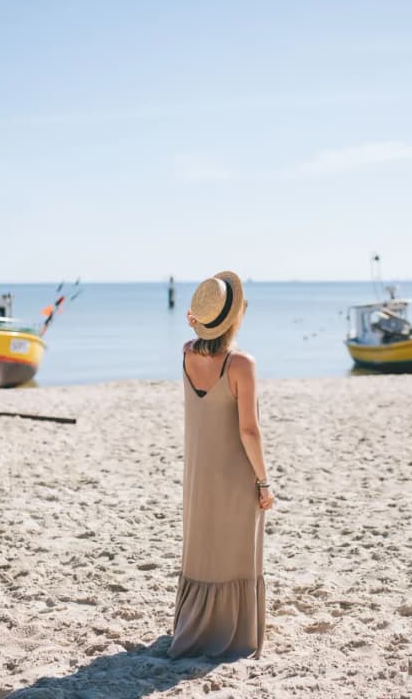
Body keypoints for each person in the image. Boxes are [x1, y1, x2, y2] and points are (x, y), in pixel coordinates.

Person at [169, 270, 274, 660]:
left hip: (197, 475)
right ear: (236, 316)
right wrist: (264, 482)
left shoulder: (185, 353)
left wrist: (197, 325)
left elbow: (194, 339)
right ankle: (233, 634)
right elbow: (249, 431)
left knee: (203, 548)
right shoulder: (241, 364)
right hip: (233, 476)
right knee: (234, 552)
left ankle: (195, 627)